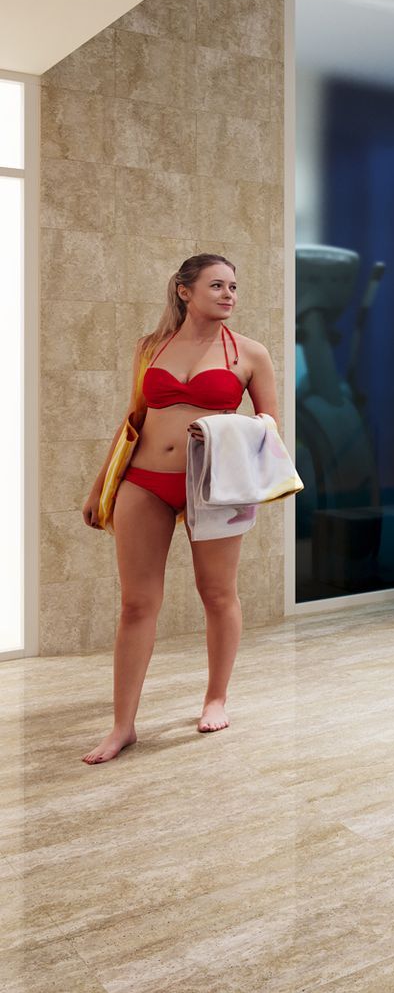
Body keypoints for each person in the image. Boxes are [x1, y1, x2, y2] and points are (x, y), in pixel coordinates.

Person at [79, 254, 280, 763]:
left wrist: (222, 429)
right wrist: (102, 484)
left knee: (216, 593)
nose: (229, 294)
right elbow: (135, 417)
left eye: (234, 286)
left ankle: (216, 696)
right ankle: (123, 725)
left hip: (214, 485)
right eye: (217, 285)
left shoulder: (250, 353)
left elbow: (270, 426)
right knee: (136, 604)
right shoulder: (150, 348)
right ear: (185, 291)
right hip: (142, 483)